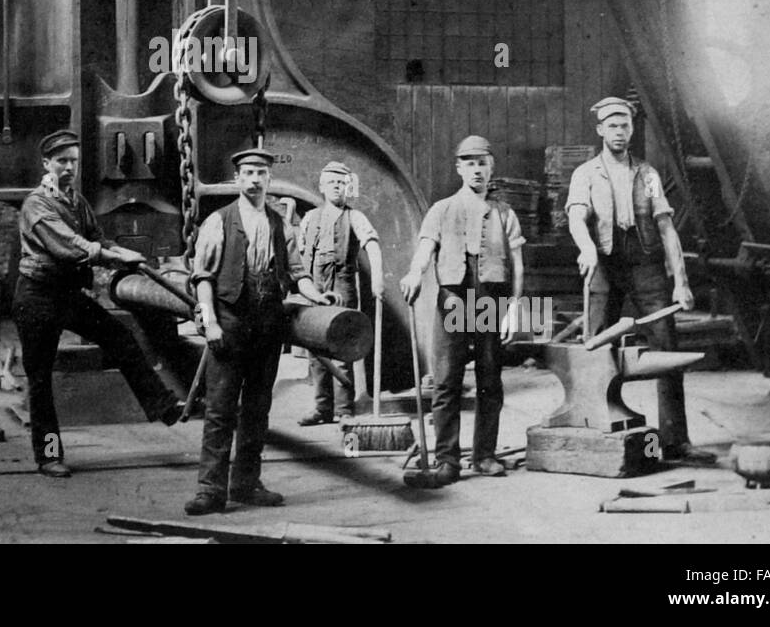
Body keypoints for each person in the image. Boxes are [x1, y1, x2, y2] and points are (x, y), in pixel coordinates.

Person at [14, 129, 183, 478]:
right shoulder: (36, 204)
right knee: (41, 379)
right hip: (37, 296)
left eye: (73, 161)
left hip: (66, 294)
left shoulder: (76, 201)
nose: (69, 168)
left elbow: (97, 237)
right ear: (46, 164)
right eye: (62, 161)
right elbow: (72, 246)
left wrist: (125, 252)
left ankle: (162, 405)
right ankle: (48, 456)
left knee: (119, 337)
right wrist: (116, 260)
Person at [184, 147, 333, 516]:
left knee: (257, 409)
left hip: (267, 326)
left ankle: (246, 485)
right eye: (248, 172)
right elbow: (202, 279)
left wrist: (319, 295)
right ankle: (210, 491)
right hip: (230, 323)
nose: (254, 179)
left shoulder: (281, 223)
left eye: (260, 173)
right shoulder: (218, 221)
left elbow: (297, 274)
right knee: (220, 410)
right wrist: (210, 322)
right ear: (238, 179)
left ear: (269, 179)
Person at [565, 97, 712, 463]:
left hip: (644, 263)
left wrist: (681, 281)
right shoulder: (585, 173)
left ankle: (676, 441)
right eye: (612, 125)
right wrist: (585, 248)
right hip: (604, 261)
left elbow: (666, 227)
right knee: (595, 348)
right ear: (600, 129)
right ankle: (592, 430)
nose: (619, 132)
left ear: (632, 129)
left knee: (666, 348)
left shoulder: (647, 175)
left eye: (625, 125)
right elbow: (576, 217)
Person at [401, 135, 525, 483]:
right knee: (447, 381)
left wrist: (514, 306)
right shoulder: (441, 209)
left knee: (489, 379)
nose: (476, 170)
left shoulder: (504, 213)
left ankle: (484, 456)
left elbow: (517, 262)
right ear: (459, 168)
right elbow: (426, 246)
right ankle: (447, 462)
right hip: (453, 297)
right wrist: (415, 272)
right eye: (469, 163)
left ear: (491, 167)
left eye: (482, 163)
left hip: (488, 298)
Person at [296, 161, 383, 426]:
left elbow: (372, 246)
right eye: (332, 182)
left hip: (342, 283)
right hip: (315, 286)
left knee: (341, 345)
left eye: (342, 183)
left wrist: (377, 279)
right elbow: (299, 255)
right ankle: (322, 408)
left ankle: (344, 409)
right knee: (315, 347)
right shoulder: (310, 218)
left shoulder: (355, 217)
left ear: (349, 188)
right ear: (322, 186)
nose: (337, 187)